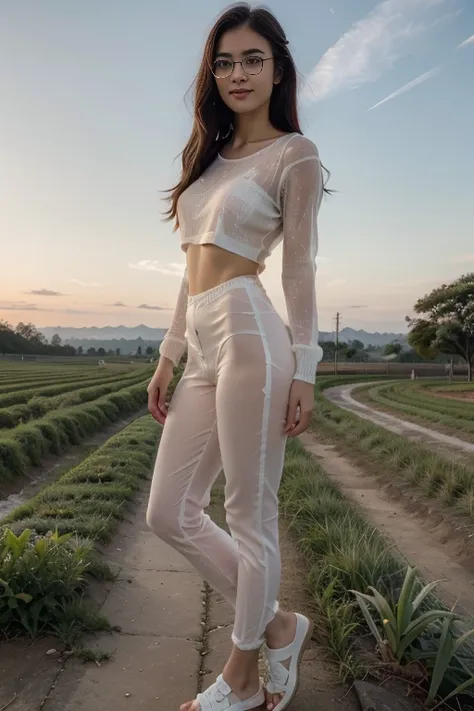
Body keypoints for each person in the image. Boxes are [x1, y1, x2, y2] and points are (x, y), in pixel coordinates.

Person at [146, 4, 329, 710]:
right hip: (202, 338)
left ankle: (241, 676)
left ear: (277, 67)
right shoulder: (209, 160)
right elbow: (190, 268)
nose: (237, 74)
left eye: (252, 59)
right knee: (169, 511)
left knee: (250, 512)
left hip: (254, 332)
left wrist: (306, 367)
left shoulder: (296, 154)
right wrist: (167, 355)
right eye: (224, 62)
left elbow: (301, 269)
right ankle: (280, 623)